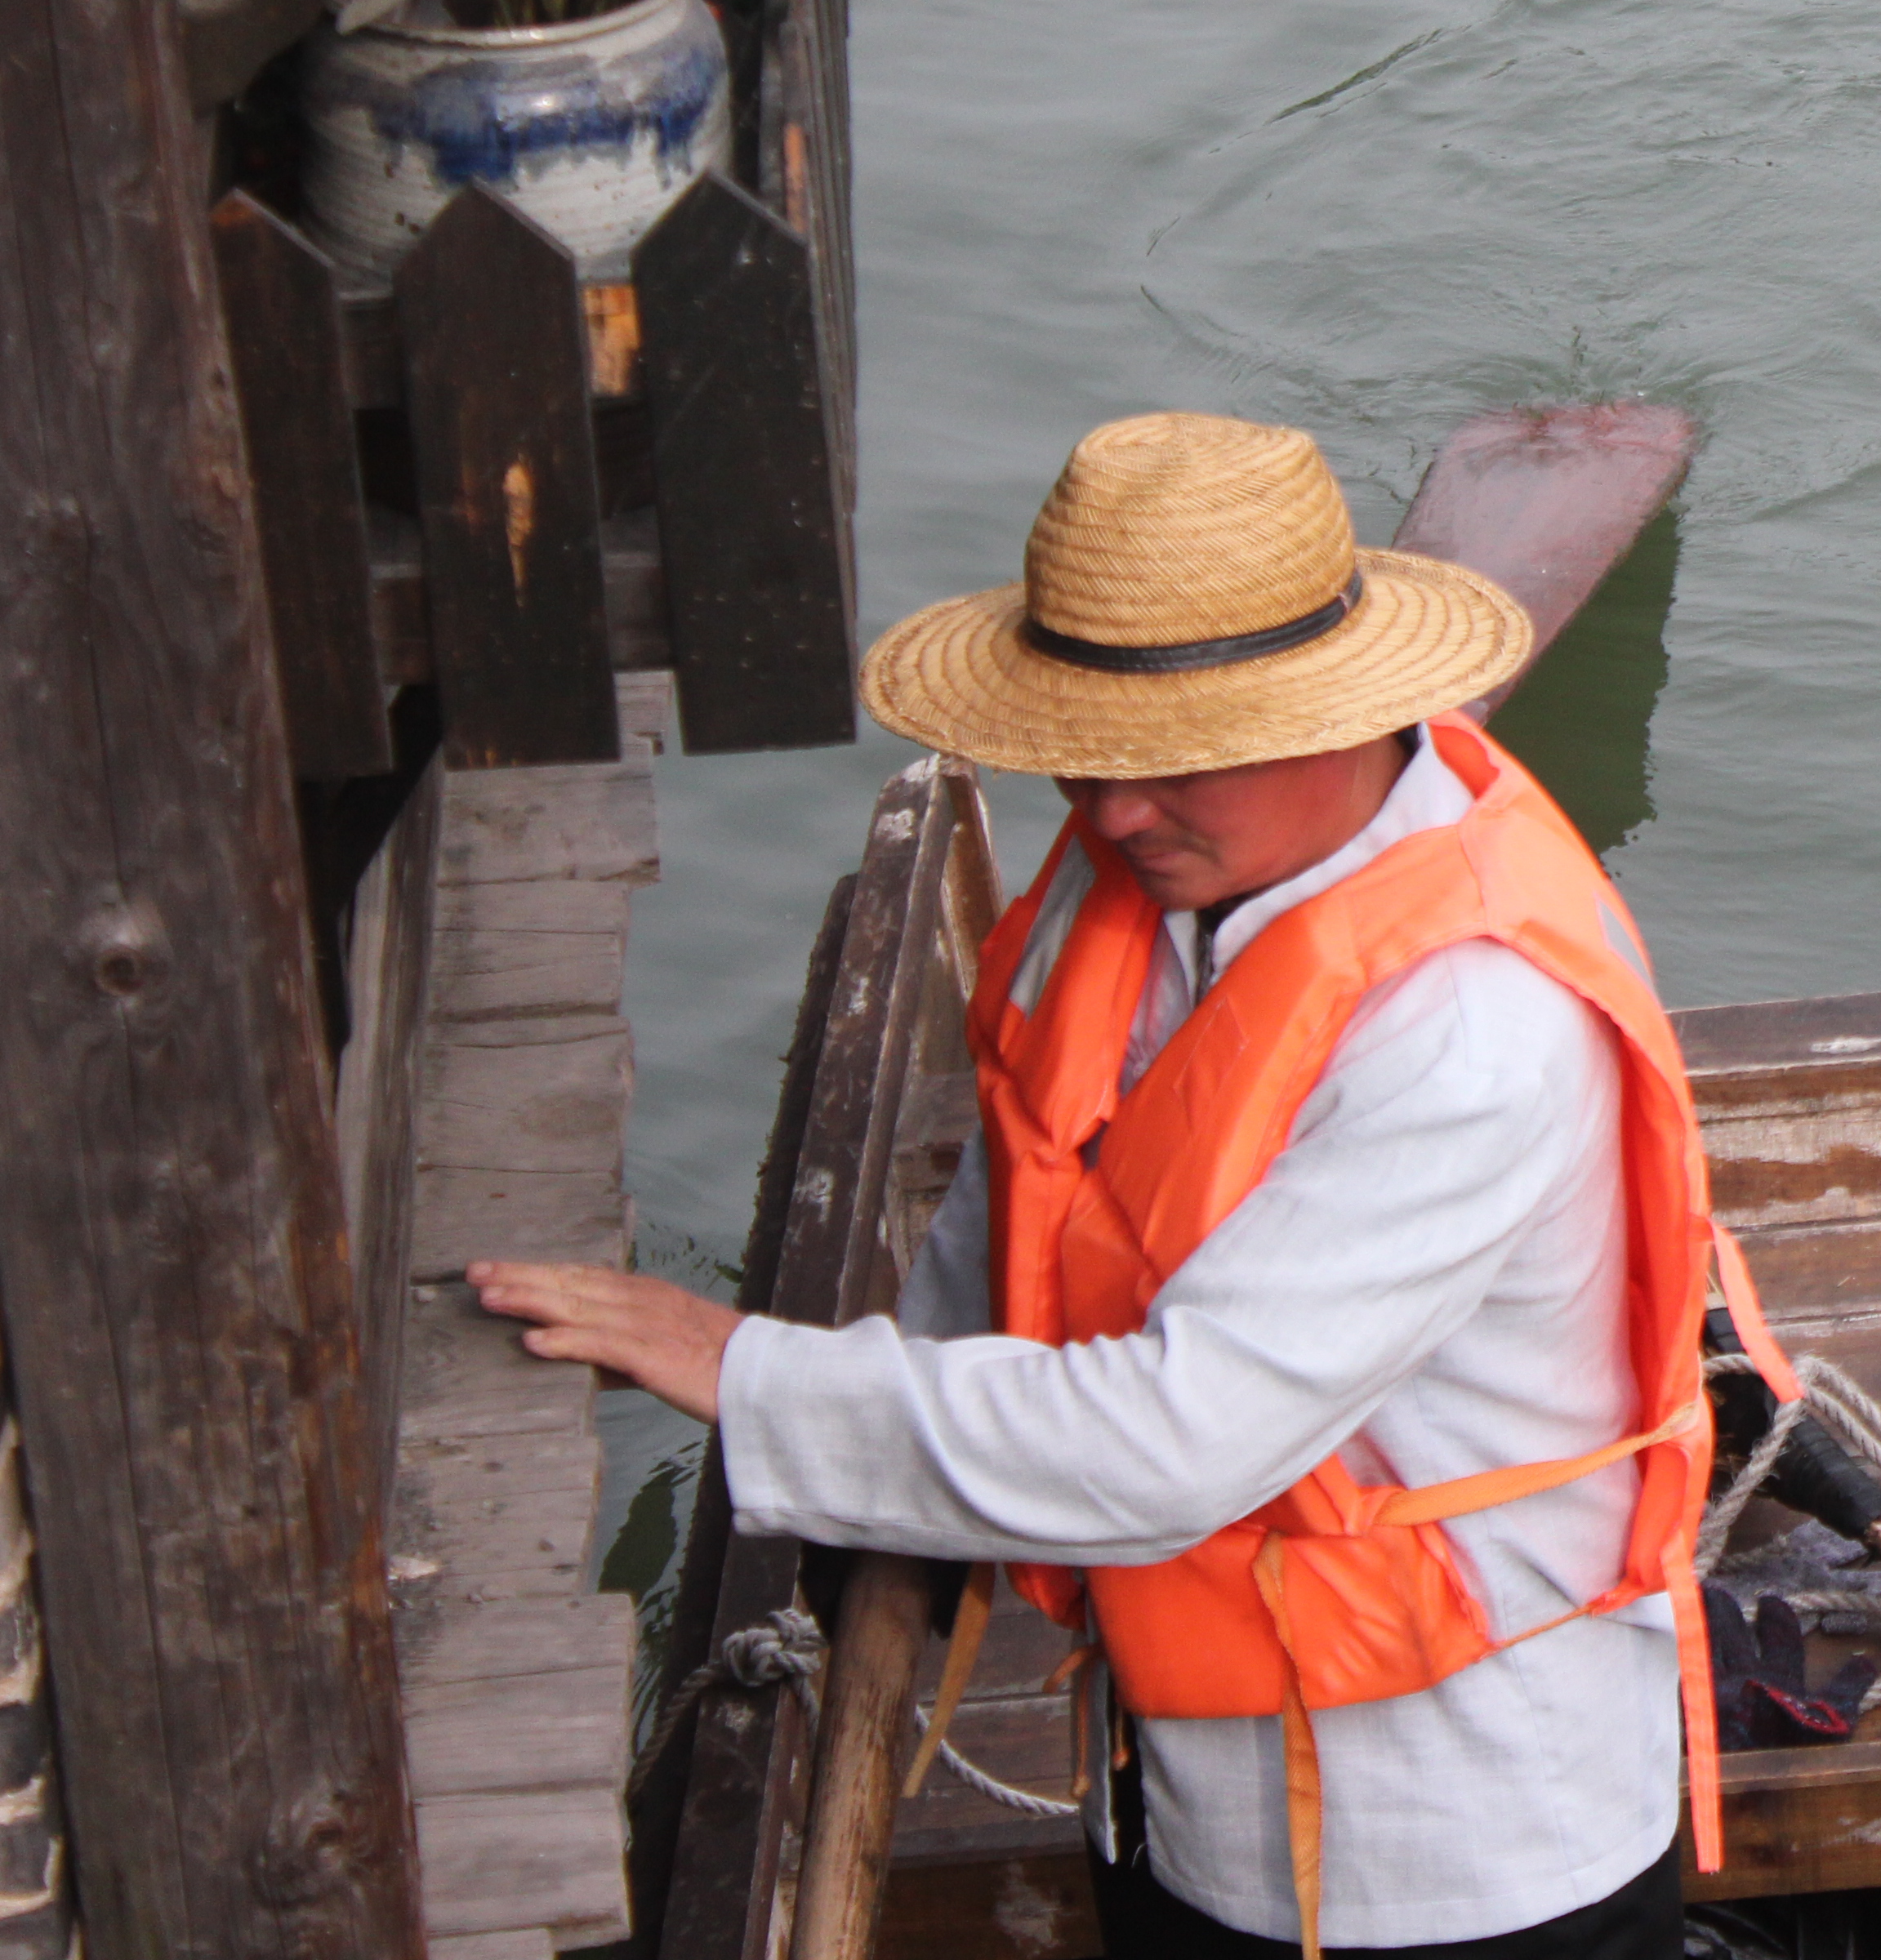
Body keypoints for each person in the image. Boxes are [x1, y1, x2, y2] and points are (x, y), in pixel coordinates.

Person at [477, 410, 1739, 1960]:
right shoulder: (1129, 852)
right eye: (1087, 750)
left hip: (1447, 1842)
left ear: (1342, 714)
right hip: (1172, 1773)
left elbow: (1169, 1442)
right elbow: (1018, 1189)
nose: (1114, 805)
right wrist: (900, 1440)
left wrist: (759, 1382)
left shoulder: (1471, 1034)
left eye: (1172, 759)